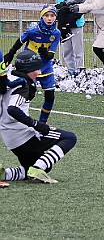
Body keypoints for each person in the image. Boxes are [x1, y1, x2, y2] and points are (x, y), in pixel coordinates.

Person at [0, 50, 77, 184]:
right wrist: (37, 125)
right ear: (28, 69)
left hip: (10, 139)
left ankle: (5, 174)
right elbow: (12, 109)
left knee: (39, 166)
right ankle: (37, 168)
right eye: (36, 69)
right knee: (69, 137)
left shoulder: (9, 78)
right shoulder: (22, 85)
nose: (39, 73)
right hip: (23, 136)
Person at [3, 4, 61, 123]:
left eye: (52, 15)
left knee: (50, 97)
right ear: (41, 17)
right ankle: (20, 119)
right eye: (46, 15)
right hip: (29, 69)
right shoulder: (32, 31)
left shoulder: (56, 33)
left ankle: (42, 123)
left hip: (46, 68)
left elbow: (51, 55)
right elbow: (19, 42)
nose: (49, 18)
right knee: (27, 94)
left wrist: (45, 53)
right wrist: (10, 54)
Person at [56, 0, 85, 75]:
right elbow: (58, 2)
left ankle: (79, 70)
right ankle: (71, 70)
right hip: (63, 22)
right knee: (66, 49)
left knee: (77, 49)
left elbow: (79, 1)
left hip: (76, 22)